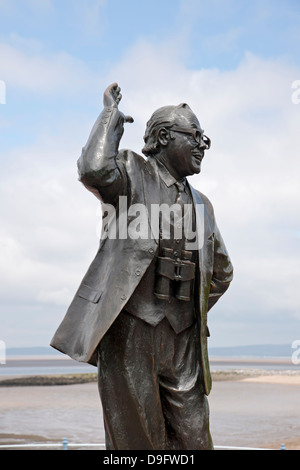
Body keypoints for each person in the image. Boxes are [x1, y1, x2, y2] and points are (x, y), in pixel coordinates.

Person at [50, 83, 233, 450]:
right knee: (136, 441)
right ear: (164, 137)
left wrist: (188, 308)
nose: (202, 146)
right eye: (195, 136)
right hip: (131, 332)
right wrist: (110, 117)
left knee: (195, 438)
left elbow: (222, 272)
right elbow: (93, 168)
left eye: (205, 140)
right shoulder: (131, 174)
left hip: (183, 340)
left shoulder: (203, 205)